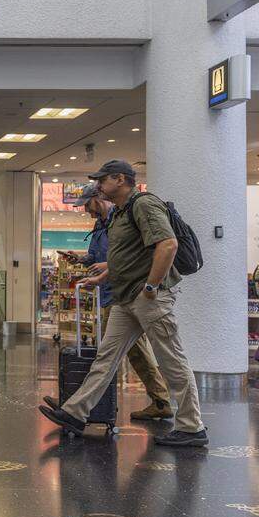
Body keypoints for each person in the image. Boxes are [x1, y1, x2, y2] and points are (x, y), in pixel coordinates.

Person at [37, 160, 208, 447]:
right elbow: (125, 256)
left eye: (102, 180)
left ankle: (192, 428)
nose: (98, 186)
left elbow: (168, 244)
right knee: (106, 358)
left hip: (148, 297)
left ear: (120, 179)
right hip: (124, 296)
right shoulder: (119, 212)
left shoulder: (144, 204)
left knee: (172, 361)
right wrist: (102, 276)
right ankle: (75, 413)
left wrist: (152, 286)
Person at [50, 184, 172, 421]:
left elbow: (133, 255)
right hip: (111, 294)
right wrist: (80, 259)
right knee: (128, 353)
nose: (86, 210)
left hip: (123, 293)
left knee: (109, 354)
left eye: (87, 205)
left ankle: (78, 404)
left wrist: (107, 268)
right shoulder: (101, 225)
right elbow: (98, 256)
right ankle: (159, 400)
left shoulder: (122, 219)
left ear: (98, 198)